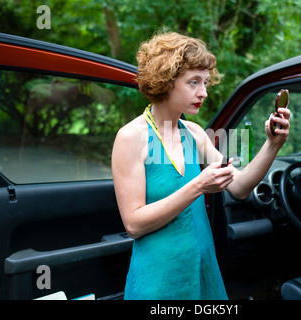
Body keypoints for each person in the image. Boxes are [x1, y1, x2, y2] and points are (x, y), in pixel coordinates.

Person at [111, 31, 290, 300]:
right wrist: (198, 186)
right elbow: (134, 225)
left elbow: (240, 187)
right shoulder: (130, 137)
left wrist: (273, 144)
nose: (203, 92)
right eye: (193, 82)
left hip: (204, 269)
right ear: (166, 80)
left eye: (205, 82)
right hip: (159, 278)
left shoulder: (194, 133)